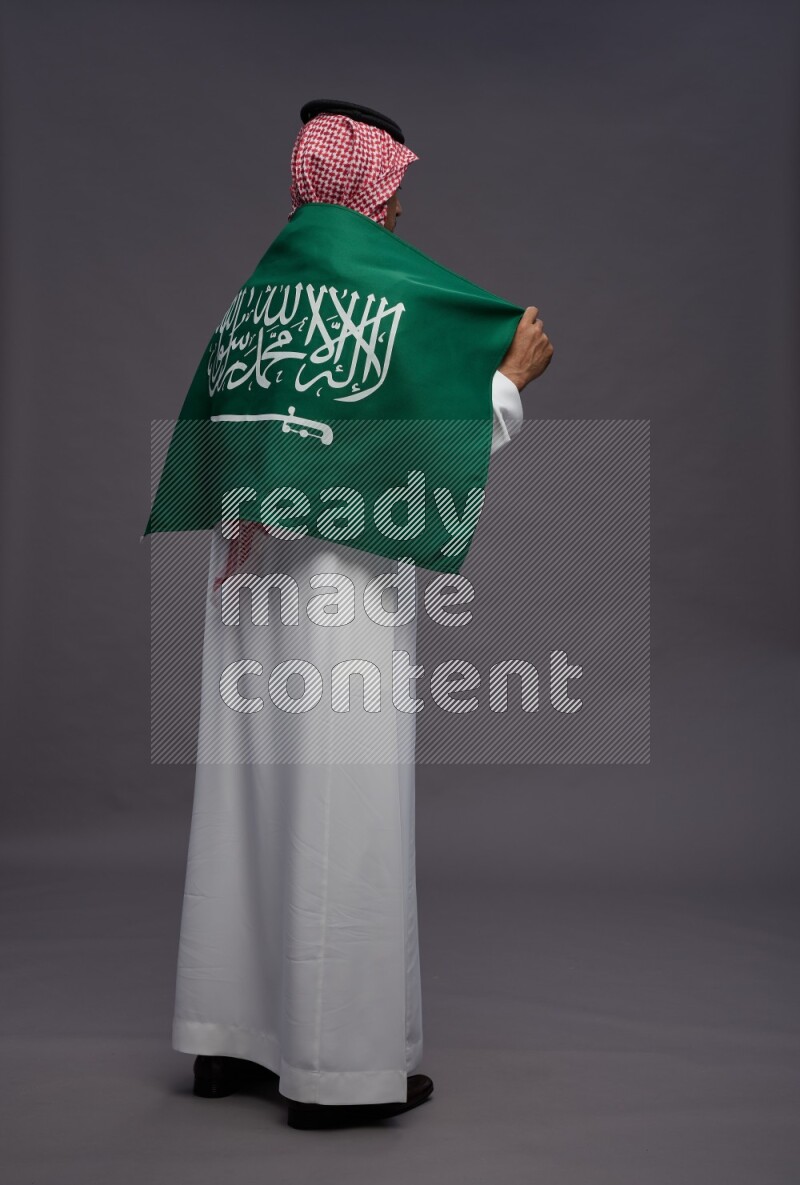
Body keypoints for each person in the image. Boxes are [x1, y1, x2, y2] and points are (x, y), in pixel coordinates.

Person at [169, 100, 553, 1130]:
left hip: (246, 585)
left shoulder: (252, 297)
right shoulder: (378, 293)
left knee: (245, 800)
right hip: (335, 588)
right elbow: (415, 448)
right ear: (377, 191)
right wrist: (508, 386)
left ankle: (223, 1037)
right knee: (341, 813)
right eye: (397, 189)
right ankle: (336, 1072)